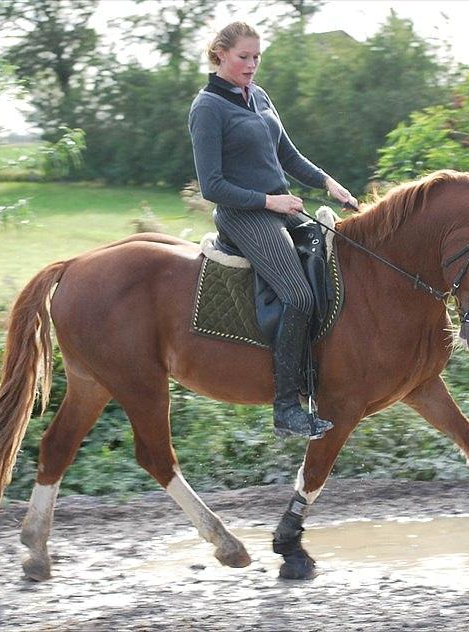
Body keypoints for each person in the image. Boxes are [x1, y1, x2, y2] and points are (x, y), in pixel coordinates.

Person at [189, 21, 358, 439]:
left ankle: (318, 371)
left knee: (335, 267)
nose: (251, 65)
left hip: (280, 208)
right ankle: (286, 409)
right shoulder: (207, 107)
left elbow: (288, 156)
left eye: (256, 57)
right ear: (220, 55)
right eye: (243, 57)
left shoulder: (259, 96)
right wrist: (270, 201)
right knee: (298, 294)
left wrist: (327, 183)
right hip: (243, 214)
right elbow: (212, 187)